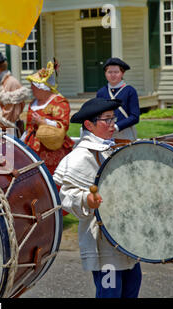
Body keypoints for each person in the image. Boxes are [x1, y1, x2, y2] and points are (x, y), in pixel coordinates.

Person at [53, 97, 142, 298]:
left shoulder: (115, 147)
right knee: (110, 292)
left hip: (127, 235)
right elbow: (66, 195)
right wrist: (86, 199)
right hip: (103, 240)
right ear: (89, 124)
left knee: (132, 286)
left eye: (114, 118)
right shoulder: (79, 157)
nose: (113, 124)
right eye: (107, 119)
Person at [22, 61, 75, 176]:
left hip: (53, 148)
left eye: (34, 85)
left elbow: (63, 126)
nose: (31, 88)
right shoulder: (33, 103)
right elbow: (29, 128)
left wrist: (43, 122)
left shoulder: (59, 102)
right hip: (33, 149)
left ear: (43, 88)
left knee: (53, 178)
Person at [96, 58, 140, 142]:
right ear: (105, 73)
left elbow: (135, 117)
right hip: (106, 133)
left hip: (125, 133)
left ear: (122, 73)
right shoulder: (101, 92)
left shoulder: (130, 91)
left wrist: (116, 126)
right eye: (109, 72)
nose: (113, 75)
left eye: (116, 72)